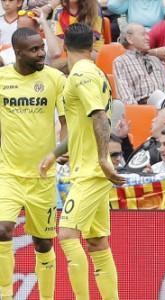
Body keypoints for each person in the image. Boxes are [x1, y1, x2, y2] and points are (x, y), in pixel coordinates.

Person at [40, 23, 124, 300]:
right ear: (93, 45)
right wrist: (56, 153)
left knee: (66, 234)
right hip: (86, 167)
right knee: (97, 241)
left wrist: (102, 158)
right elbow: (81, 126)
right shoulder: (94, 71)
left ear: (64, 46)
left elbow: (100, 116)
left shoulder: (81, 74)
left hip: (91, 170)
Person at [0, 27, 66, 300]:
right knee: (2, 229)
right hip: (8, 174)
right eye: (35, 50)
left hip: (42, 177)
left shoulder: (55, 79)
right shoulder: (2, 79)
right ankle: (5, 295)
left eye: (41, 47)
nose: (42, 53)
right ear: (18, 52)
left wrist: (62, 149)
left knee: (43, 243)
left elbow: (67, 124)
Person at [114, 23, 165, 105]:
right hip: (142, 109)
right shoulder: (121, 62)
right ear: (129, 39)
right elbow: (125, 96)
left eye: (147, 34)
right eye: (143, 35)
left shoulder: (156, 59)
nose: (148, 38)